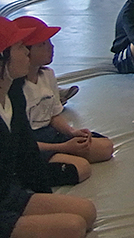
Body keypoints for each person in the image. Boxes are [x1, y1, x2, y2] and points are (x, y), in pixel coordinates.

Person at [0, 17, 98, 238]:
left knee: (87, 212)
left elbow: (27, 151)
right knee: (72, 227)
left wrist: (41, 196)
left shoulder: (13, 92)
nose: (26, 52)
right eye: (19, 47)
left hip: (8, 192)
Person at [15, 17, 114, 184]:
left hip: (49, 134)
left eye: (49, 42)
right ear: (25, 52)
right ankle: (28, 173)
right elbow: (21, 141)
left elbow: (53, 115)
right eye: (42, 45)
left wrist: (71, 132)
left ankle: (62, 155)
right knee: (80, 168)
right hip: (31, 143)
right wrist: (62, 148)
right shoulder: (16, 90)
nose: (51, 47)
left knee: (105, 147)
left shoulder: (47, 75)